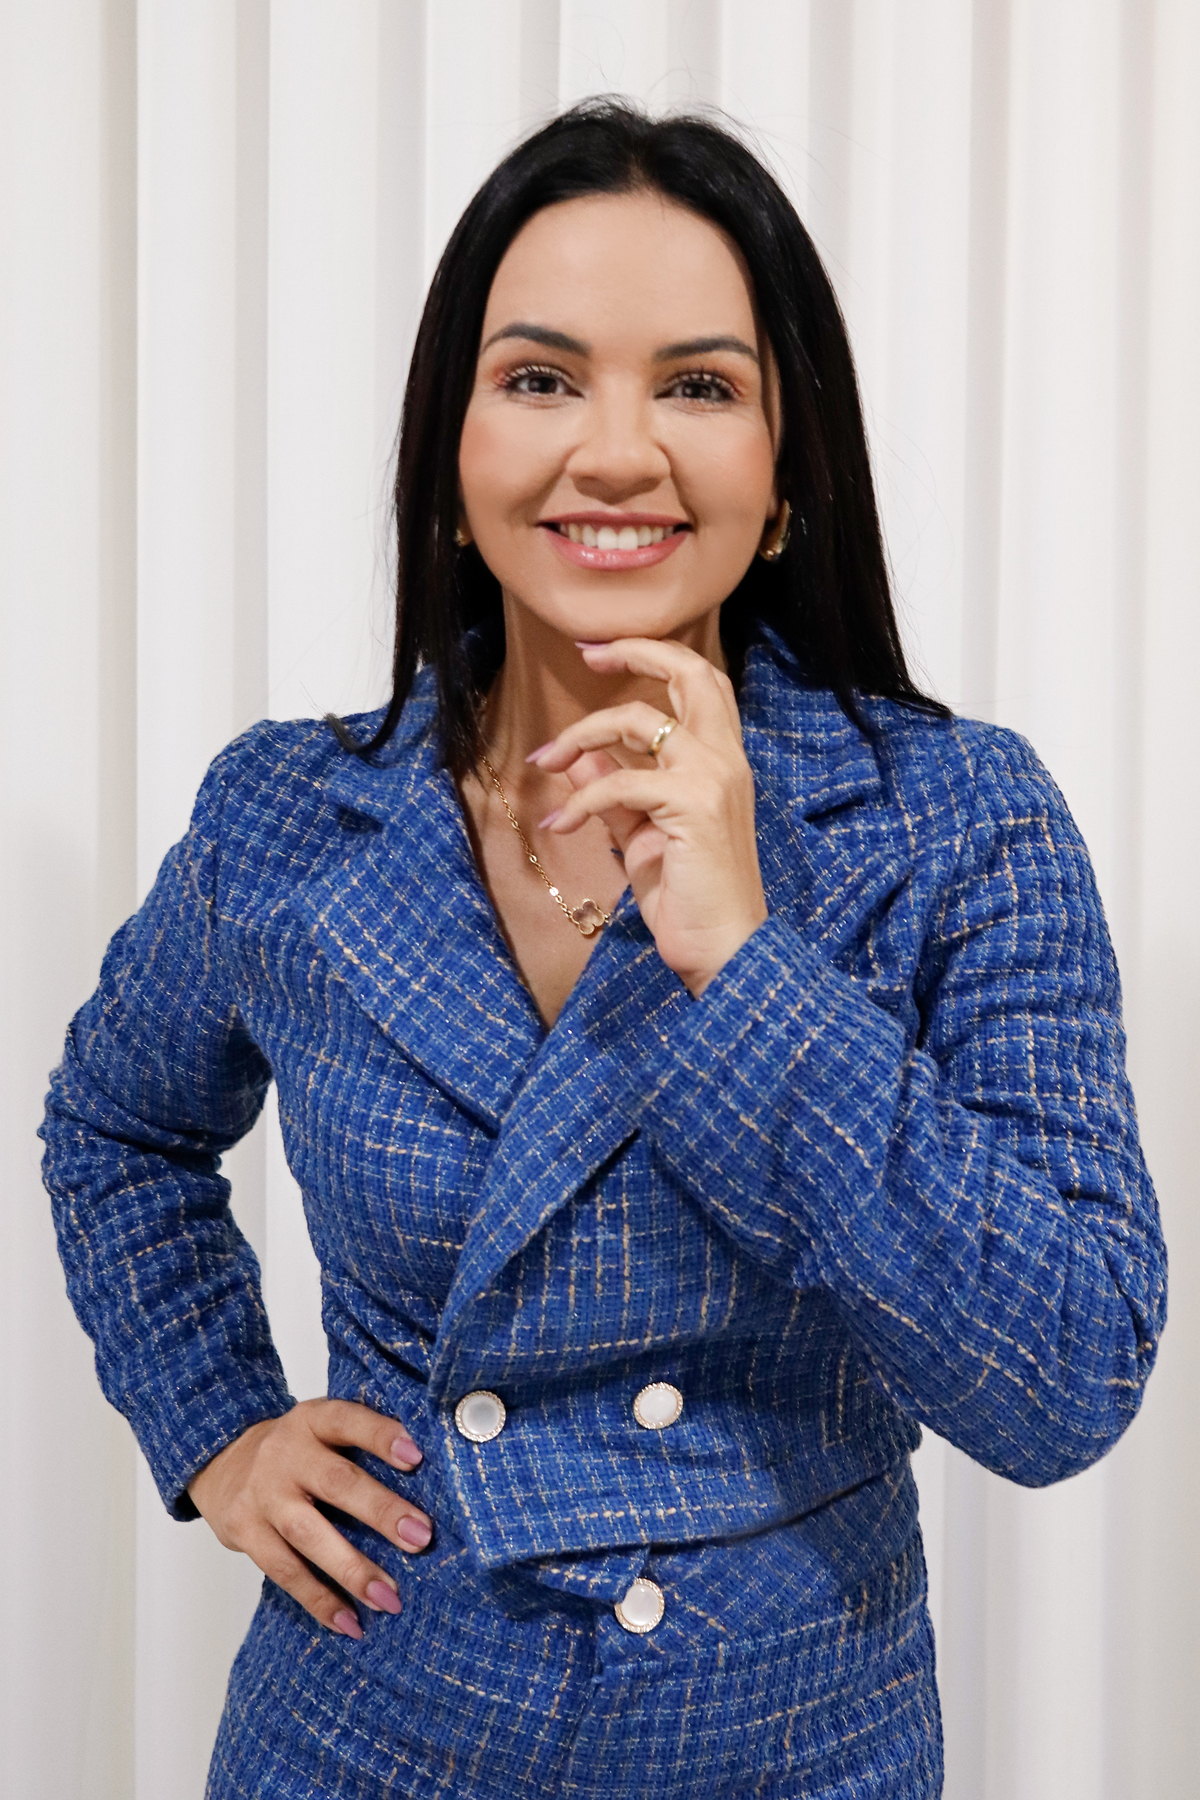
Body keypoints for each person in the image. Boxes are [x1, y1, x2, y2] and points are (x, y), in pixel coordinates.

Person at [41, 100, 1166, 1800]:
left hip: (796, 1747)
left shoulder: (955, 817)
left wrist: (747, 964)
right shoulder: (290, 814)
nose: (618, 452)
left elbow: (1066, 1376)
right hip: (367, 1732)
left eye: (699, 386)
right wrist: (219, 1427)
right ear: (453, 454)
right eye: (542, 378)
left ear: (785, 481)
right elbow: (117, 1127)